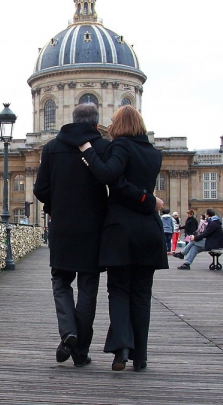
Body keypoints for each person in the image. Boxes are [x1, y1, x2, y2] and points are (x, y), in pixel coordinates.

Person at [77, 105, 168, 372]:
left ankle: (121, 351)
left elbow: (112, 179)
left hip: (121, 230)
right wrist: (149, 200)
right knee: (142, 295)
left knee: (118, 291)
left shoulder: (120, 147)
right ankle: (141, 357)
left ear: (118, 125)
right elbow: (140, 186)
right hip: (149, 231)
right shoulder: (154, 153)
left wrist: (88, 152)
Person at [33, 103, 109, 368]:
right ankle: (80, 353)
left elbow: (40, 189)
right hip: (94, 231)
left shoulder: (52, 148)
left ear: (72, 119)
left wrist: (57, 207)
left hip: (63, 228)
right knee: (88, 289)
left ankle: (68, 333)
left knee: (61, 282)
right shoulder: (103, 148)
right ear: (96, 124)